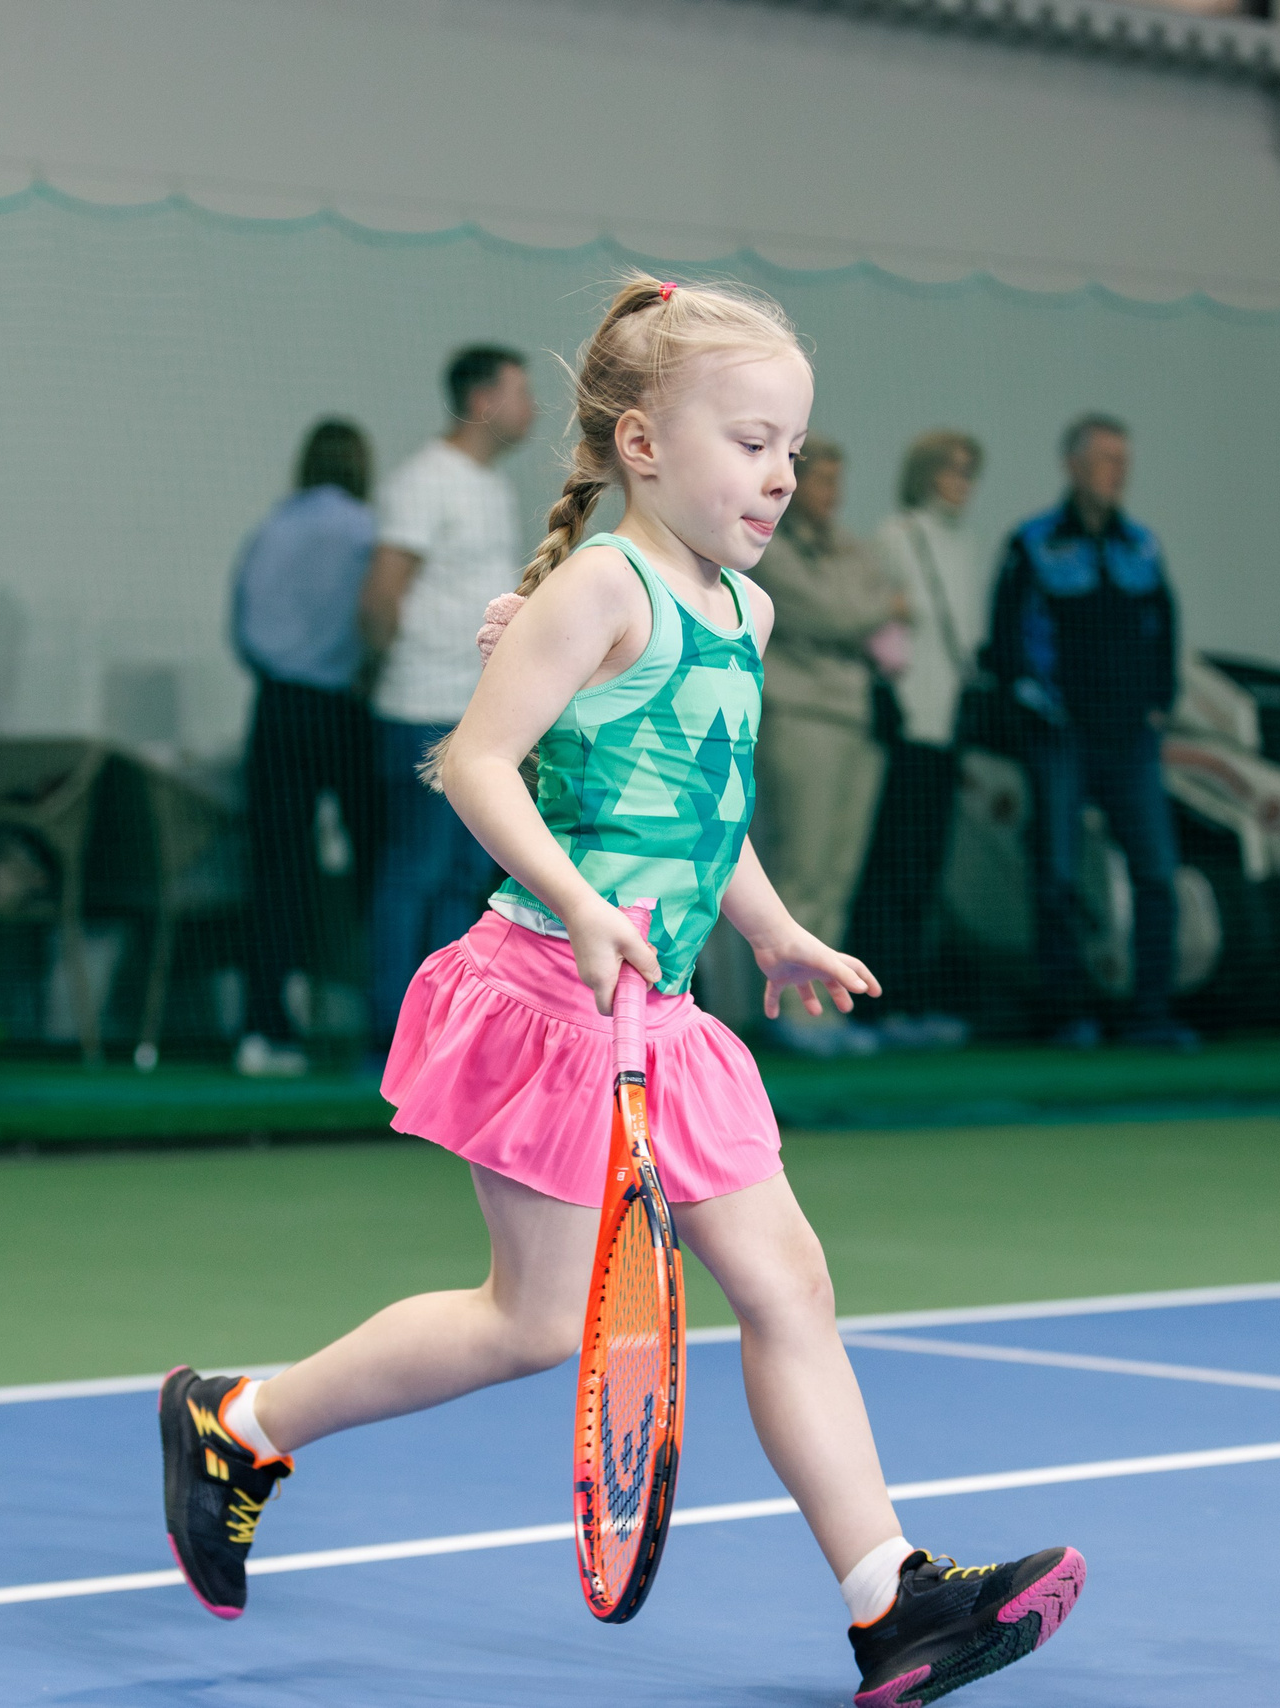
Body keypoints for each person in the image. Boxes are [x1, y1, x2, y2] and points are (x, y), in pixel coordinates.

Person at [160, 276, 1083, 1707]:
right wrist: (586, 906)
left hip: (667, 1016)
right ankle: (241, 1419)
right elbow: (471, 764)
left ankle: (888, 1603)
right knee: (530, 1325)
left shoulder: (752, 613)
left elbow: (706, 807)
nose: (779, 473)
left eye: (792, 447)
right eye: (750, 440)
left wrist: (771, 929)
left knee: (792, 1285)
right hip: (544, 993)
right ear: (643, 444)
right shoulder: (601, 583)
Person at [983, 413, 1198, 1052]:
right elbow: (1006, 641)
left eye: (1123, 460)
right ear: (1073, 465)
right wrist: (1039, 709)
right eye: (1106, 459)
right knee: (1057, 875)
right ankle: (1066, 1014)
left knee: (1157, 873)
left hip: (1132, 741)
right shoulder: (1032, 543)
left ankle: (1152, 1014)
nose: (1117, 471)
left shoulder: (1143, 547)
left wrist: (1159, 706)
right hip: (1061, 739)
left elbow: (1167, 632)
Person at [358, 346, 536, 1062]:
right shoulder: (424, 482)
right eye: (522, 392)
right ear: (483, 400)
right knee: (416, 869)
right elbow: (381, 595)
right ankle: (394, 1035)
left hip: (482, 716)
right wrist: (384, 675)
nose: (534, 409)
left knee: (466, 874)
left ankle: (447, 1037)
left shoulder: (489, 487)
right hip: (421, 709)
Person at [228, 418, 379, 1077]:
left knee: (276, 870)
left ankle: (265, 1027)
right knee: (379, 866)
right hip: (343, 707)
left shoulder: (272, 530)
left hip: (276, 706)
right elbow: (375, 618)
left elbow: (241, 625)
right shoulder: (364, 533)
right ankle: (383, 1019)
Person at [750, 437, 905, 1057]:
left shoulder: (850, 547)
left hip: (855, 716)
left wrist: (870, 604)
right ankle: (790, 1010)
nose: (832, 495)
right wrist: (875, 606)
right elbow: (836, 613)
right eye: (821, 481)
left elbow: (880, 599)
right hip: (802, 716)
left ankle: (822, 1010)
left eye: (839, 482)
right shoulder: (771, 546)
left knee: (838, 872)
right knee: (803, 867)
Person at [853, 430, 990, 1049]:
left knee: (925, 868)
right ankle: (874, 1006)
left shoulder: (964, 544)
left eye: (968, 471)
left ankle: (907, 998)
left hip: (948, 726)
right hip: (908, 725)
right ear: (926, 473)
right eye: (950, 469)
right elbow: (884, 626)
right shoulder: (897, 537)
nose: (960, 481)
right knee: (891, 864)